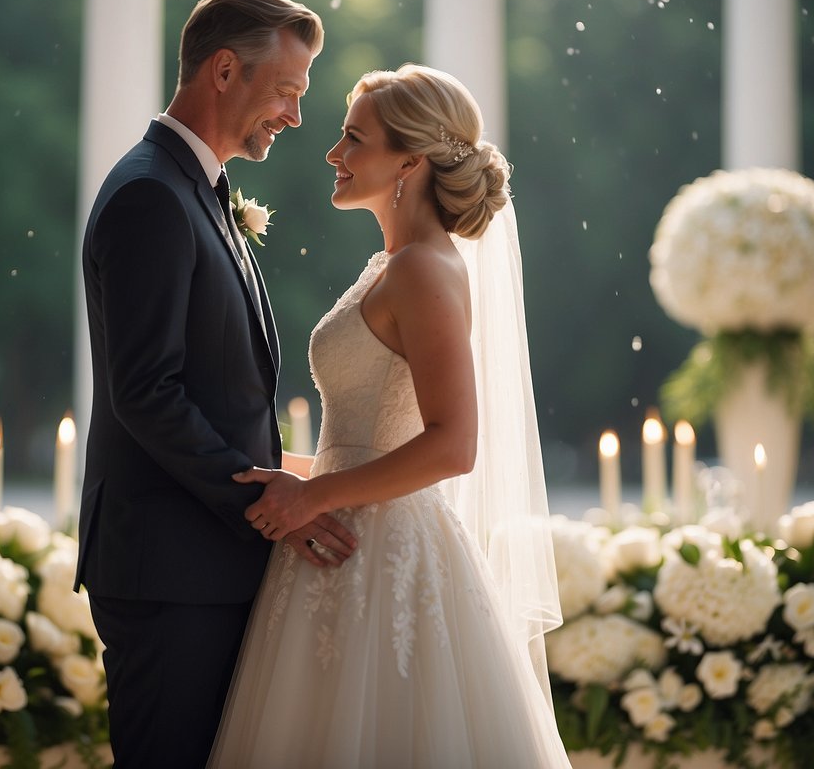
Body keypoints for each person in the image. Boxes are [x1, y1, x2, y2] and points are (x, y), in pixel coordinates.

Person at [208, 64, 572, 768]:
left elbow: (451, 446)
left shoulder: (423, 271)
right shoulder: (390, 265)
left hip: (382, 558)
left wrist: (312, 496)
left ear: (409, 160)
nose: (332, 154)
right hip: (337, 542)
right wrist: (284, 471)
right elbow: (371, 440)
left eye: (353, 139)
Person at [74, 0, 358, 768]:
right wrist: (269, 503)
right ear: (224, 71)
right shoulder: (149, 196)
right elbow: (147, 391)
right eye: (286, 93)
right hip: (170, 573)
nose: (295, 117)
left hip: (202, 564)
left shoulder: (195, 190)